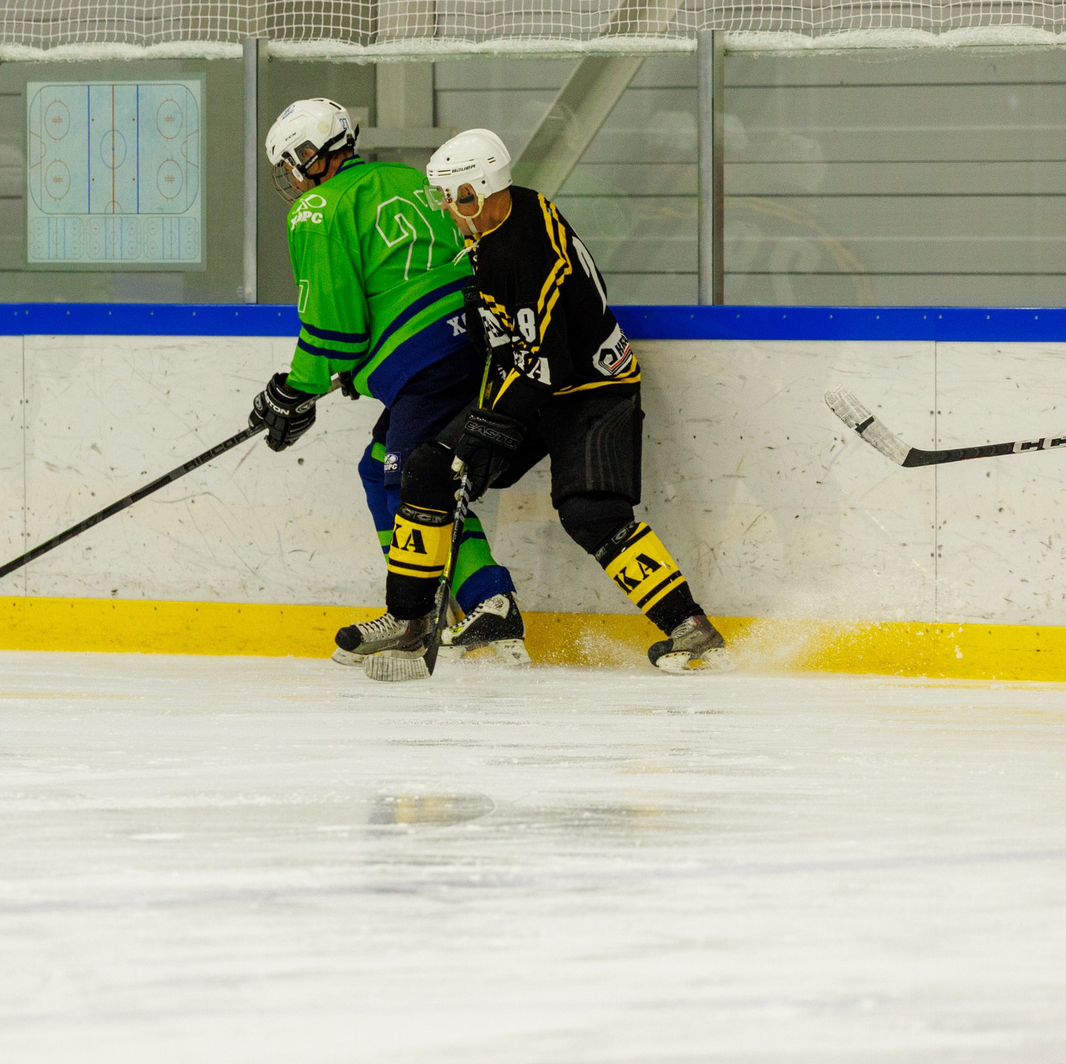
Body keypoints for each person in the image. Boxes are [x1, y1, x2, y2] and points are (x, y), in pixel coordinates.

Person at [421, 129, 726, 673]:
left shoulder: (522, 249)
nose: (450, 209)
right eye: (444, 197)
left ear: (489, 188)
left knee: (592, 513)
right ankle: (413, 619)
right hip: (541, 382)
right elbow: (520, 349)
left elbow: (545, 366)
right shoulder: (511, 214)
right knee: (431, 468)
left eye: (459, 196)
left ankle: (690, 627)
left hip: (593, 389)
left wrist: (488, 426)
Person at [249, 99, 525, 679]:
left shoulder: (316, 210)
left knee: (411, 486)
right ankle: (475, 604)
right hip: (479, 340)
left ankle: (437, 615)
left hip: (427, 361)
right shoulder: (408, 177)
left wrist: (292, 389)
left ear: (310, 155)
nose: (293, 178)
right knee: (393, 472)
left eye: (294, 162)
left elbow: (335, 331)